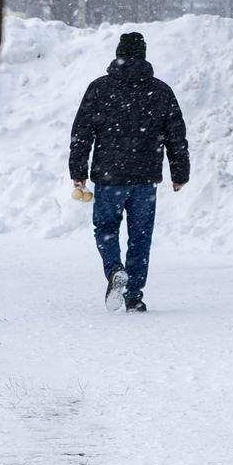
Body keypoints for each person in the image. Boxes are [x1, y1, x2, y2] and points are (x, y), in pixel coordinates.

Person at [69, 31, 190, 312]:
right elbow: (176, 136)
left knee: (106, 228)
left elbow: (82, 133)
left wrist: (78, 170)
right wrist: (180, 173)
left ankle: (114, 271)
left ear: (118, 54)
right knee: (141, 235)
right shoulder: (161, 91)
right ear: (143, 56)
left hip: (109, 176)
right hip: (145, 178)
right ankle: (134, 295)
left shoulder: (99, 88)